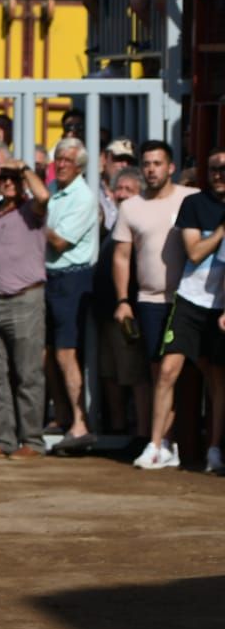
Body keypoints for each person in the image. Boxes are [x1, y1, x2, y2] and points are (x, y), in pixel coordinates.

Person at [112, 140, 199, 468]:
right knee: (156, 371)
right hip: (148, 299)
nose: (151, 169)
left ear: (171, 167)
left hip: (189, 300)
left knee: (178, 372)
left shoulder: (190, 199)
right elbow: (121, 257)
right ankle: (165, 442)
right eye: (146, 164)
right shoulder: (130, 207)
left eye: (157, 163)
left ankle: (166, 442)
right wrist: (123, 300)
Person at [147, 146, 225, 474]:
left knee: (217, 378)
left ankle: (215, 450)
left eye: (223, 168)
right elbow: (194, 252)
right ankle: (156, 446)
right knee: (167, 372)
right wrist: (222, 231)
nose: (219, 173)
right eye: (213, 168)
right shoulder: (195, 204)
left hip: (220, 308)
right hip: (190, 300)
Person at [0, 160, 49, 460]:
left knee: (28, 374)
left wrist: (24, 168)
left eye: (12, 178)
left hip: (24, 301)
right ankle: (3, 439)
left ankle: (32, 441)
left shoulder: (32, 210)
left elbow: (43, 197)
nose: (6, 182)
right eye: (3, 176)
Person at [40, 138, 101, 452]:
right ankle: (63, 415)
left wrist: (36, 220)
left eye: (67, 160)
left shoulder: (83, 197)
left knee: (66, 352)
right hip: (50, 277)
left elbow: (60, 242)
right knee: (47, 352)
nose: (60, 164)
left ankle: (80, 422)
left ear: (79, 166)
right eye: (58, 159)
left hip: (73, 280)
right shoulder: (52, 190)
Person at [91, 168, 146, 435]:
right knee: (109, 373)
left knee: (133, 373)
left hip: (127, 311)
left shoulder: (139, 225)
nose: (121, 194)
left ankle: (143, 432)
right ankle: (118, 426)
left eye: (129, 189)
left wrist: (127, 304)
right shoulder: (114, 225)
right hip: (105, 313)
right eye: (119, 189)